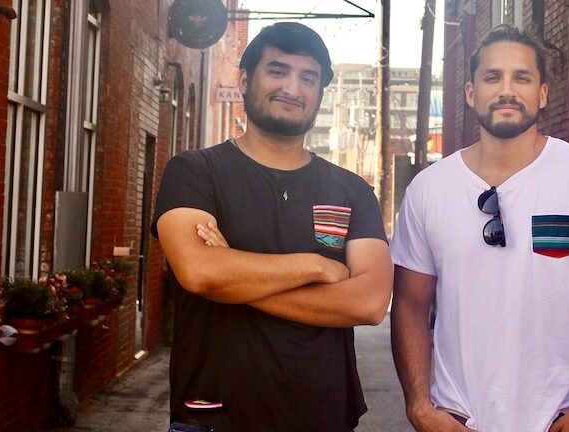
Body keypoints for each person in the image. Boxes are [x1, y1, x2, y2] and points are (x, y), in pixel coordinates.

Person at [390, 25, 569, 432]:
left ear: (543, 93)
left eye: (522, 78)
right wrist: (420, 406)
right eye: (492, 77)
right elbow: (409, 304)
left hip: (562, 420)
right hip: (460, 419)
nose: (507, 90)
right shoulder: (429, 189)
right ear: (470, 93)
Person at [152, 22, 393, 432]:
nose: (292, 89)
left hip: (323, 416)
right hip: (214, 415)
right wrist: (316, 267)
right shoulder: (195, 172)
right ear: (245, 80)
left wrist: (235, 275)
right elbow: (199, 272)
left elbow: (369, 303)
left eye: (308, 78)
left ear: (319, 93)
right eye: (277, 71)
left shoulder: (351, 190)